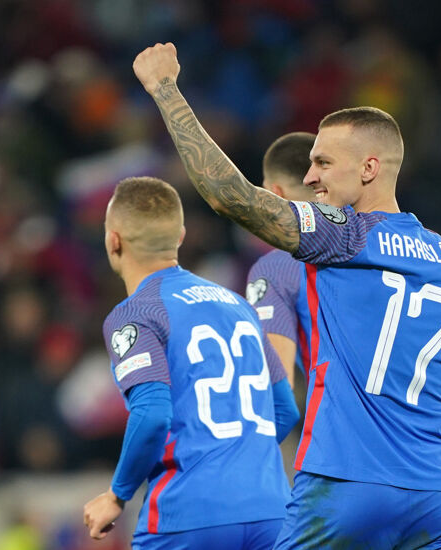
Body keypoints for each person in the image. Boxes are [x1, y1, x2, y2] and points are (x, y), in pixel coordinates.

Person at [134, 43, 441, 548]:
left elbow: (228, 196)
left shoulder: (342, 234)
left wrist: (165, 90)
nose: (309, 176)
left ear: (368, 168)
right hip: (438, 494)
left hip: (346, 484)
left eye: (322, 162)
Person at [246, 130, 441, 487]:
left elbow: (277, 390)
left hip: (353, 463)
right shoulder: (438, 256)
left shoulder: (279, 266)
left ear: (274, 194)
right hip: (437, 461)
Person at [82, 177, 298, 549]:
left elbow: (151, 414)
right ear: (180, 236)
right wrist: (237, 460)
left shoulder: (136, 312)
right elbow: (286, 410)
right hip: (271, 511)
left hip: (189, 514)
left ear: (113, 240)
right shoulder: (239, 306)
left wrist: (117, 496)